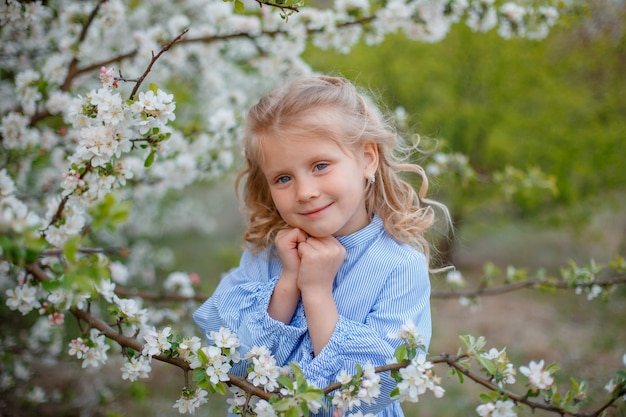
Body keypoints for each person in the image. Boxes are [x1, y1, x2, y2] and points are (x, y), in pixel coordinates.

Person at [193, 75, 449, 416]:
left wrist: (315, 292)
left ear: (367, 158)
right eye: (283, 178)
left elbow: (378, 386)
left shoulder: (398, 266)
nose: (304, 192)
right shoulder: (266, 255)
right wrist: (288, 283)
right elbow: (229, 361)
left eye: (320, 166)